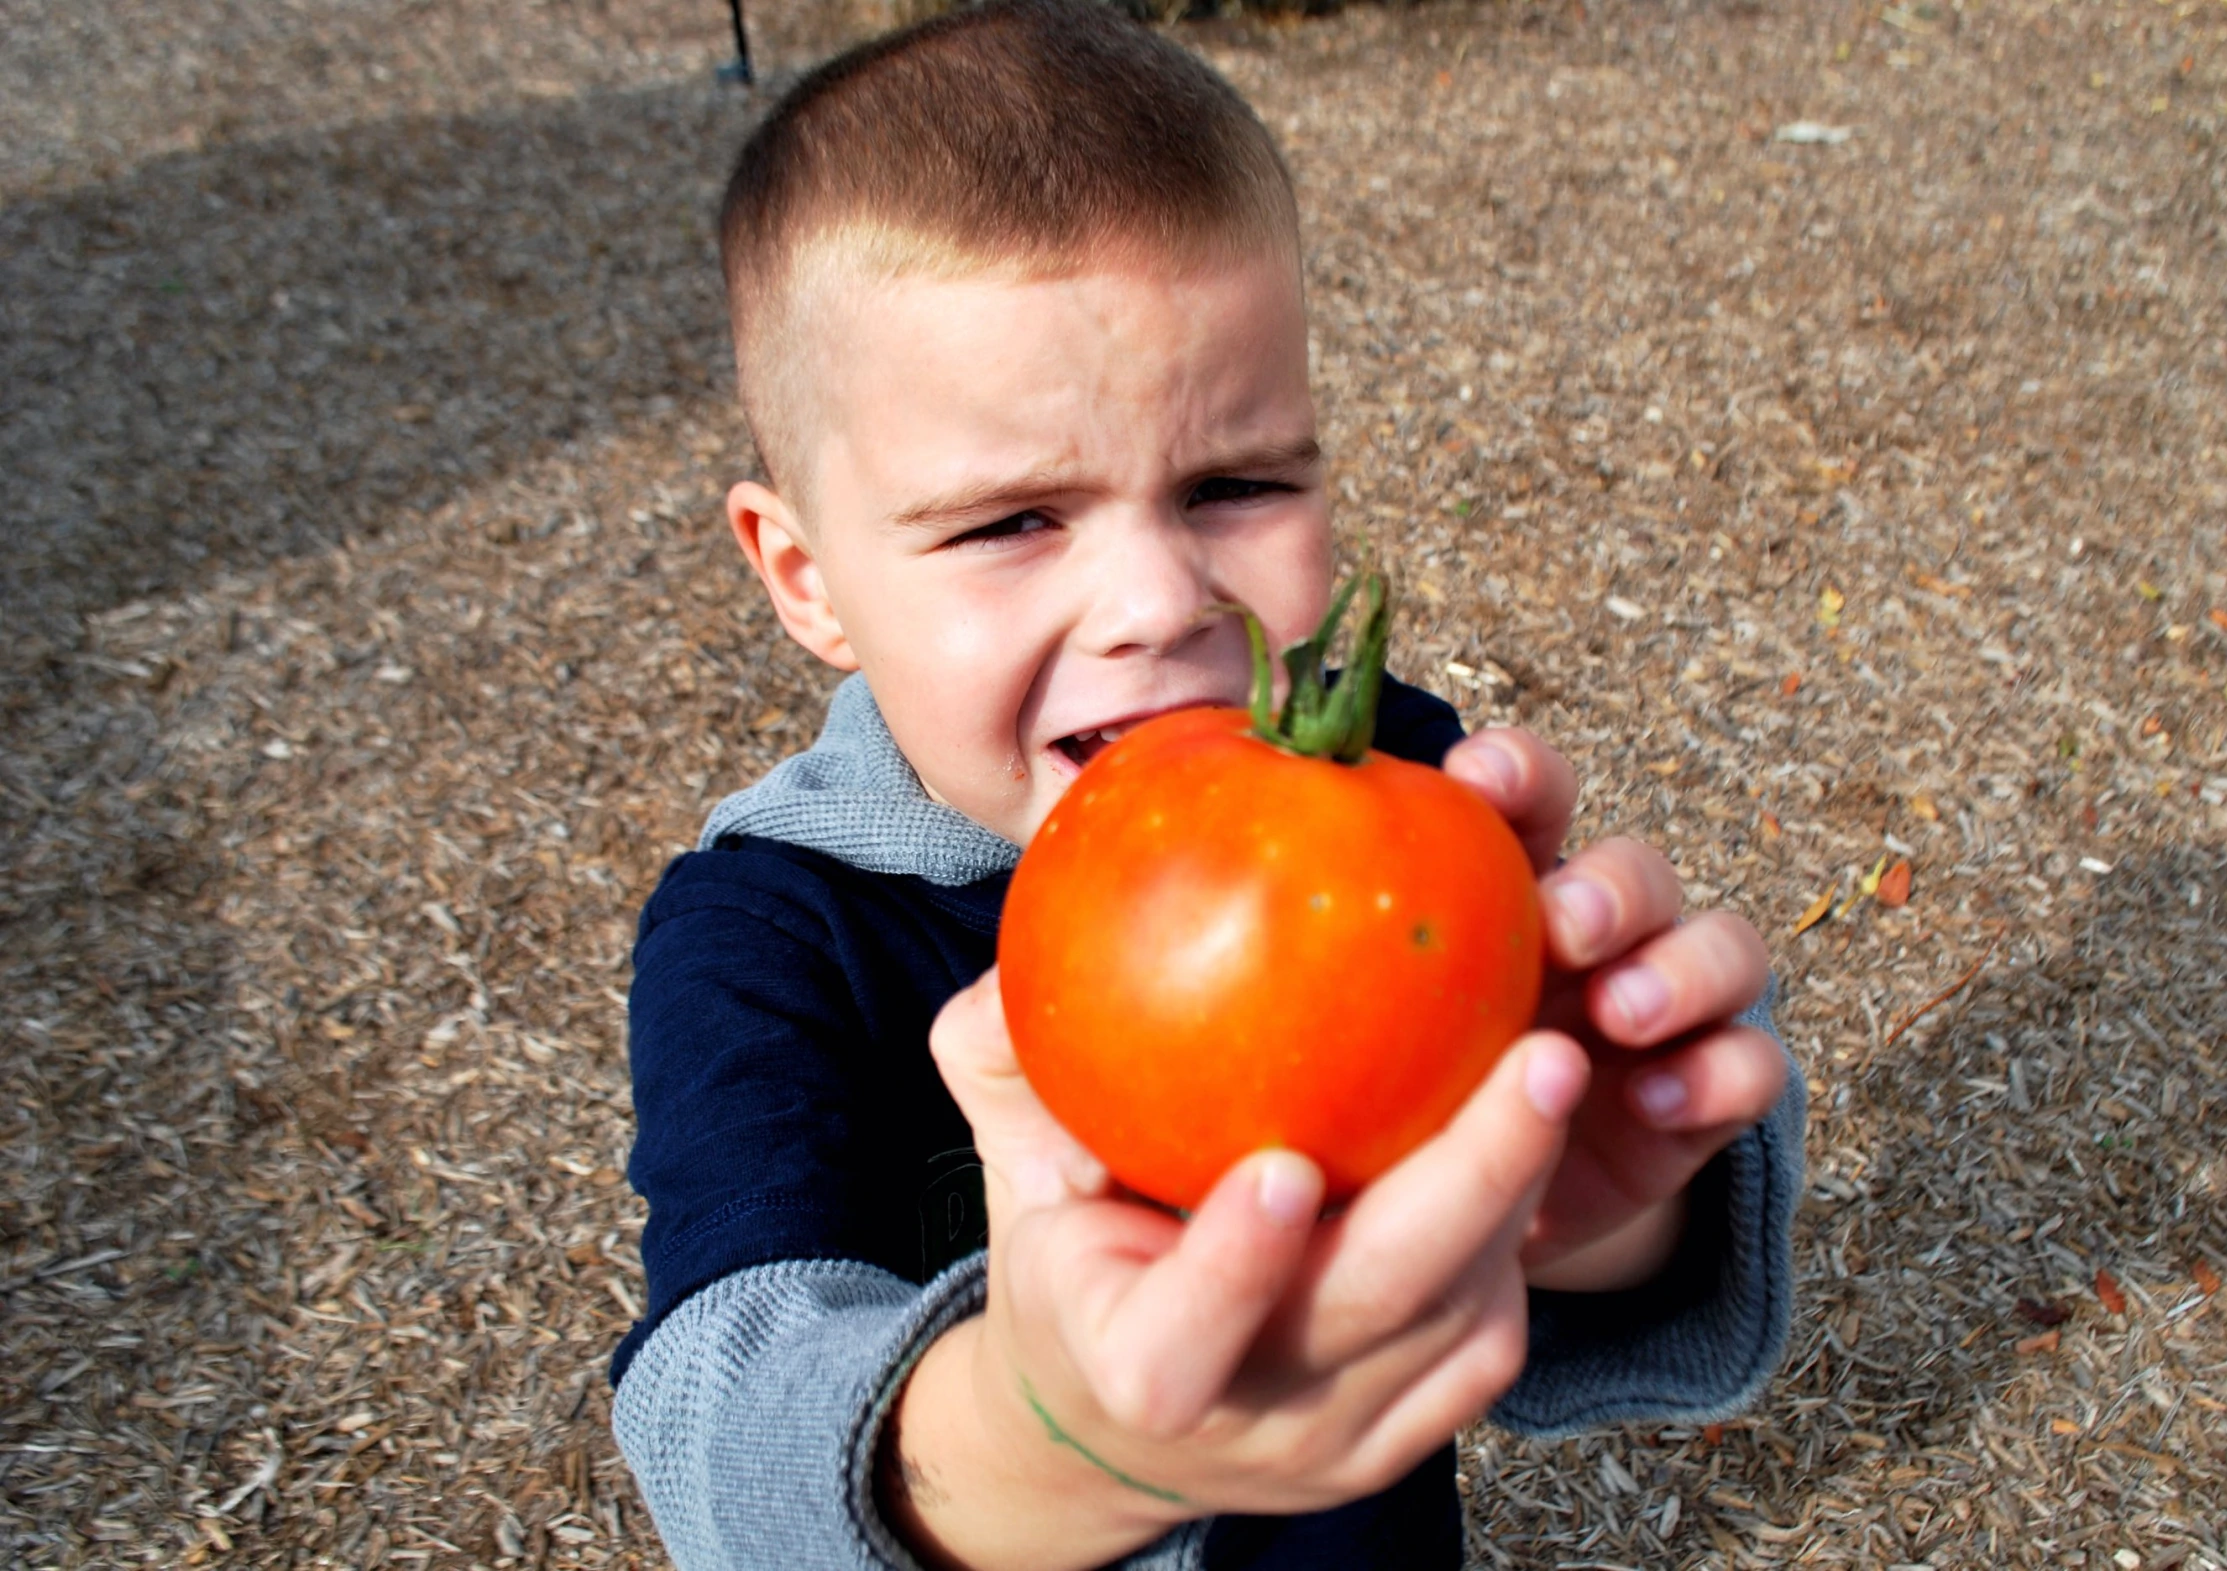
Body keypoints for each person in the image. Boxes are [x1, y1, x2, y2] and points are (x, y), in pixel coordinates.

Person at [610, 3, 1803, 1567]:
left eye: (1233, 484)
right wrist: (1049, 1439)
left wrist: (1589, 1199)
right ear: (804, 574)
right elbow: (719, 1410)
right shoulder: (772, 930)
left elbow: (1601, 1221)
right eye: (1008, 522)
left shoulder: (1404, 794)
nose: (1155, 604)